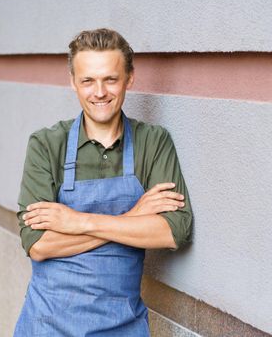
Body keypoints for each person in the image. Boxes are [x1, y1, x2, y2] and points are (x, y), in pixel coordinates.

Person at [13, 28, 193, 336]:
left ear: (129, 78)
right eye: (88, 81)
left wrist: (76, 221)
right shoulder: (46, 145)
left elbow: (174, 231)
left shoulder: (153, 142)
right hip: (48, 325)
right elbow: (39, 244)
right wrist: (133, 218)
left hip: (123, 326)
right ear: (73, 82)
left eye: (110, 79)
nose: (100, 92)